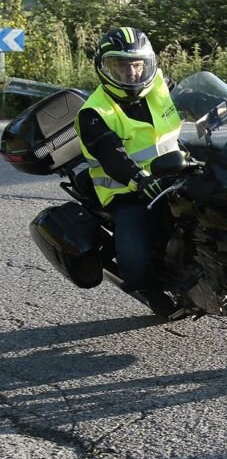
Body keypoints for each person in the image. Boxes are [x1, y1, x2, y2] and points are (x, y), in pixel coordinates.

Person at [75, 26, 183, 317]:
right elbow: (113, 156)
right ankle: (150, 290)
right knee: (134, 258)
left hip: (177, 171)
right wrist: (138, 180)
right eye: (120, 67)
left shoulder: (159, 84)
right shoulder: (94, 112)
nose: (132, 73)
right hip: (129, 192)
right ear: (103, 68)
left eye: (137, 65)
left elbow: (194, 98)